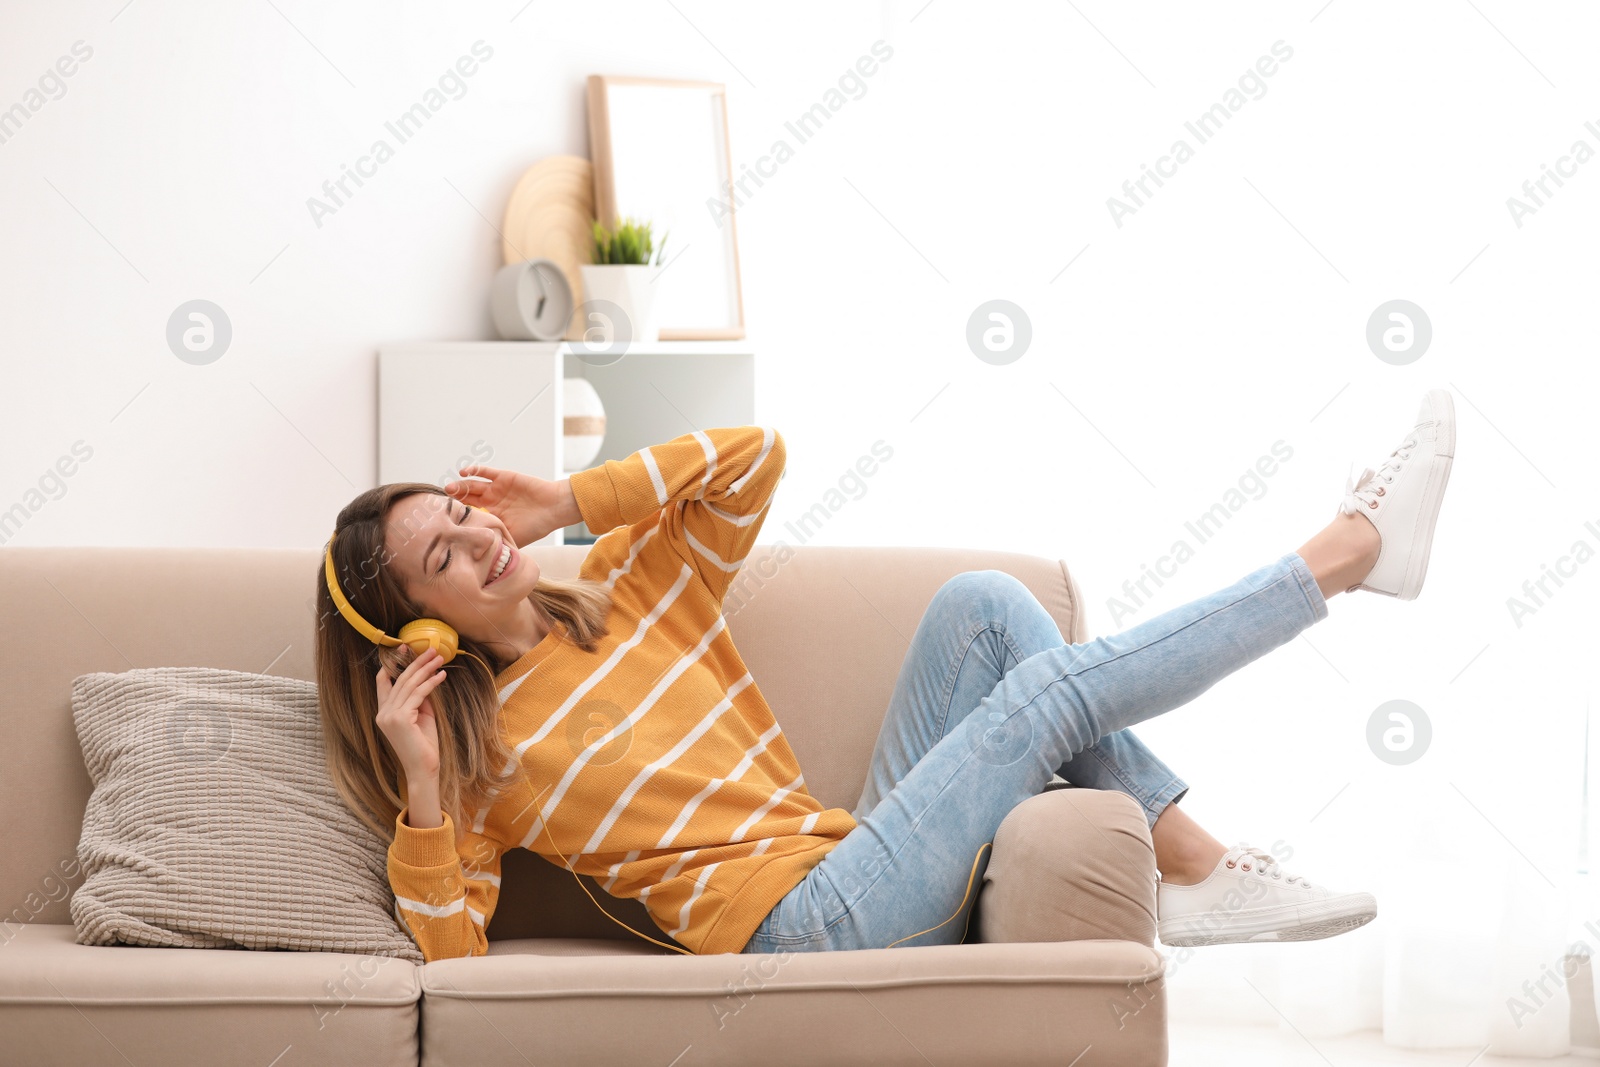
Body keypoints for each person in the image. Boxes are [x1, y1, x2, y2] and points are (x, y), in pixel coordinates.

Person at [312, 389, 1454, 961]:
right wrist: (418, 779)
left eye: (464, 512)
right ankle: (1345, 554)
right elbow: (448, 949)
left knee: (986, 607)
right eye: (443, 558)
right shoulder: (476, 757)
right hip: (799, 927)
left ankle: (1195, 870)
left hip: (850, 849)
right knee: (1038, 696)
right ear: (420, 629)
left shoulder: (629, 582)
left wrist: (569, 496)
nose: (481, 541)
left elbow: (751, 458)